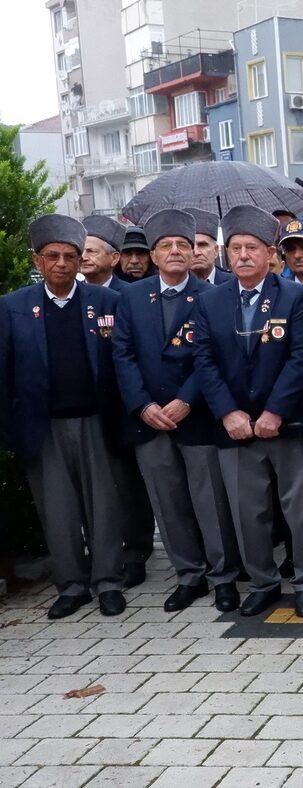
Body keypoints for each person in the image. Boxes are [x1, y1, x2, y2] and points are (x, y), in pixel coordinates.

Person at [192, 205, 303, 619]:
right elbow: (204, 360)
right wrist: (229, 413)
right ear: (225, 252)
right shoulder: (210, 301)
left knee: (301, 510)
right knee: (248, 512)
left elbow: (302, 357)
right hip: (235, 428)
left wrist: (275, 411)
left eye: (252, 247)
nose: (243, 255)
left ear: (271, 253)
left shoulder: (297, 296)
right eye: (235, 248)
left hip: (289, 423)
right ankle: (264, 582)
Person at [111, 209, 241, 614]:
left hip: (196, 415)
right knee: (168, 504)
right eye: (165, 246)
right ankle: (189, 575)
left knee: (210, 501)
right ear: (152, 253)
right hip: (149, 419)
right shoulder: (131, 297)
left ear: (193, 252)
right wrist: (143, 405)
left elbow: (213, 357)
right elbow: (123, 355)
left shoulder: (213, 295)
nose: (174, 252)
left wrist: (187, 400)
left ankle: (223, 576)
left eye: (182, 245)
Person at [0, 214, 128, 619]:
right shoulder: (12, 307)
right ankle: (71, 586)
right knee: (57, 512)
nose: (61, 263)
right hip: (43, 428)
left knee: (104, 508)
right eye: (52, 256)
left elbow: (123, 363)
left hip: (97, 422)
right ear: (38, 261)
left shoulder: (107, 302)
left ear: (78, 261)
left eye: (70, 256)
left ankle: (108, 582)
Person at [81, 214, 152, 584]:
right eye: (83, 251)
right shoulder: (74, 295)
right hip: (88, 407)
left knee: (130, 484)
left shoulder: (131, 295)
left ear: (114, 257)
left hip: (127, 406)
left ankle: (137, 551)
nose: (84, 258)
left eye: (93, 251)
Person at [81, 215, 129, 290]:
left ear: (114, 258)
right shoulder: (69, 293)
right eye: (80, 251)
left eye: (91, 251)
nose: (83, 257)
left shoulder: (129, 294)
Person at [187, 208, 234, 284]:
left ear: (216, 250)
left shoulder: (235, 283)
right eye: (190, 246)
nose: (196, 252)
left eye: (202, 245)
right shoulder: (173, 287)